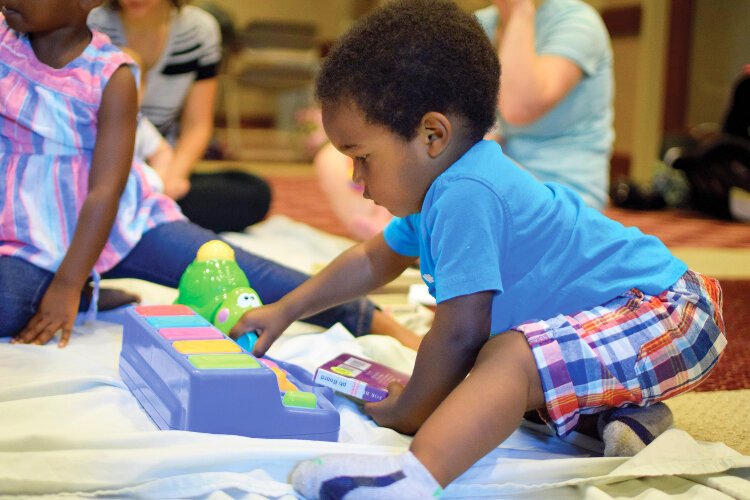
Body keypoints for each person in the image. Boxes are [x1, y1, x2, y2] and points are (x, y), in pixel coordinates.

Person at [227, 2, 727, 498]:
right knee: (502, 374)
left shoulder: (467, 191)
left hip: (670, 313)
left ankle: (412, 480)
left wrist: (412, 412)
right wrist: (286, 309)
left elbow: (459, 331)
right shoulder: (439, 188)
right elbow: (371, 258)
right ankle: (629, 420)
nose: (357, 180)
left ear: (432, 135)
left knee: (506, 358)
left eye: (362, 158)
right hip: (630, 318)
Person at [0, 0, 420, 351]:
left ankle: (367, 317)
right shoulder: (6, 42)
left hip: (118, 223)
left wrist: (67, 283)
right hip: (25, 231)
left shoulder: (111, 74)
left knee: (244, 272)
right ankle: (88, 290)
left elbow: (105, 192)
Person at [88, 0, 271, 233]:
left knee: (253, 192)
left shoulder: (199, 29)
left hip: (161, 169)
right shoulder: (91, 24)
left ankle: (140, 215)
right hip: (98, 169)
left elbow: (197, 124)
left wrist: (167, 185)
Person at [475, 0, 614, 210]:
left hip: (566, 197)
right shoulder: (479, 25)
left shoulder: (576, 21)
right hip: (496, 182)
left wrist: (520, 10)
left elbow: (517, 107)